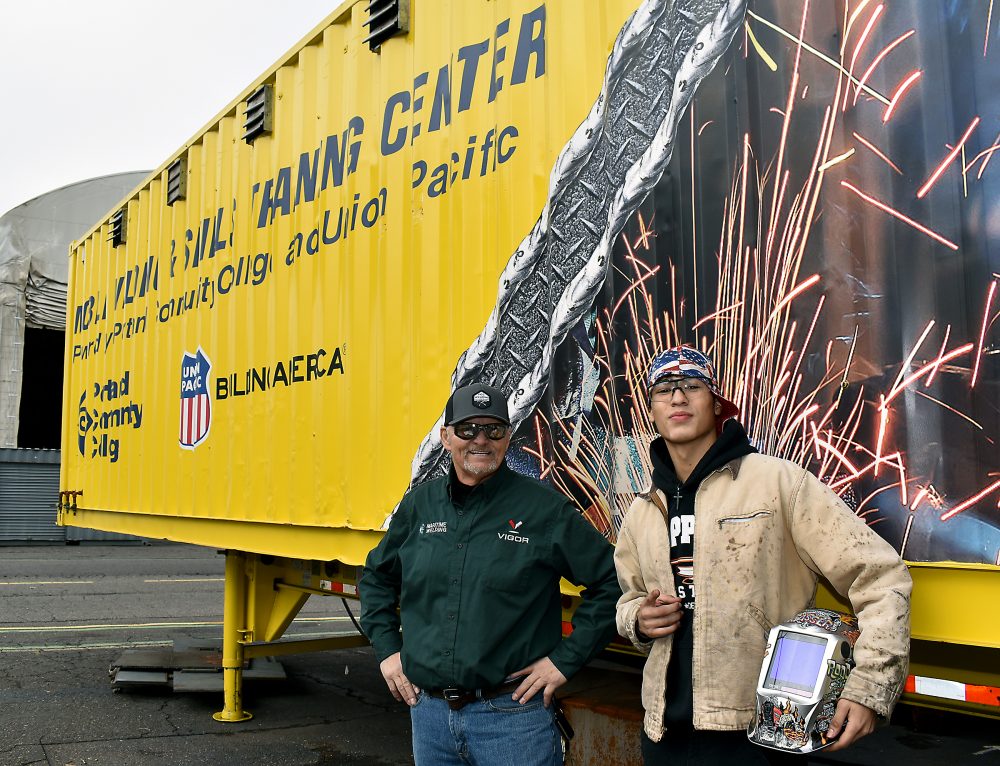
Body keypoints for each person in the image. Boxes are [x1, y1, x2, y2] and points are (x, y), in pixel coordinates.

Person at [614, 346, 912, 765]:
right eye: (664, 389)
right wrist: (638, 621)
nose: (677, 398)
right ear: (650, 410)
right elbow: (627, 599)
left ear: (717, 404)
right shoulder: (644, 507)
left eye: (691, 386)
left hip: (762, 734)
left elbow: (880, 577)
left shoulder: (778, 483)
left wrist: (869, 688)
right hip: (665, 733)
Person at [360, 382, 620, 766]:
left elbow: (612, 581)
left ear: (508, 437)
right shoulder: (420, 506)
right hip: (429, 717)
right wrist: (387, 651)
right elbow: (376, 577)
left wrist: (565, 661)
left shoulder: (542, 510)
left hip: (513, 720)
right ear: (446, 437)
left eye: (494, 429)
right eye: (467, 429)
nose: (480, 440)